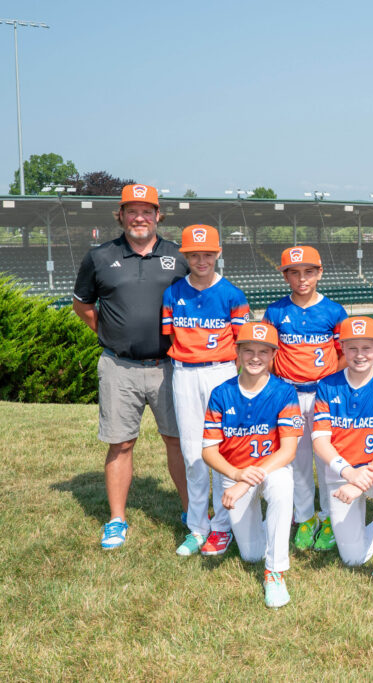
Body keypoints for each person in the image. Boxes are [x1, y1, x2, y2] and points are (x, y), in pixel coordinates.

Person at [72, 184, 190, 549]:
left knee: (178, 441)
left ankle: (193, 513)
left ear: (158, 216)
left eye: (147, 211)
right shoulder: (99, 256)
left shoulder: (179, 256)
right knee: (120, 443)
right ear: (121, 215)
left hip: (170, 366)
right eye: (132, 211)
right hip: (118, 366)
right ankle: (117, 520)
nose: (140, 218)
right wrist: (111, 333)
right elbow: (83, 306)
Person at [162, 225, 249, 558]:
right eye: (195, 254)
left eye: (208, 254)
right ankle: (198, 527)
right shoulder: (173, 293)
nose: (201, 260)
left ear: (218, 254)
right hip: (185, 373)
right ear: (186, 256)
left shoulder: (232, 294)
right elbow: (173, 336)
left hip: (221, 371)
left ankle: (223, 527)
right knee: (192, 452)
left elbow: (241, 344)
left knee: (223, 449)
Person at [201, 322, 301, 608]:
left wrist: (245, 482)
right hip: (235, 472)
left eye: (263, 352)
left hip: (271, 469)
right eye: (249, 351)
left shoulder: (284, 392)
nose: (255, 358)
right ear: (237, 352)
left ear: (273, 355)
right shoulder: (221, 393)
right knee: (251, 555)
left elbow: (288, 451)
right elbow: (208, 451)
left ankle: (275, 572)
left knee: (282, 486)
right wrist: (237, 475)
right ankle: (270, 528)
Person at [311, 316, 373, 601]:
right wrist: (349, 474)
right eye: (352, 347)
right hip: (342, 471)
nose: (360, 354)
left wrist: (363, 478)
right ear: (342, 348)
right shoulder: (327, 386)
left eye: (366, 347)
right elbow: (320, 441)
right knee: (352, 559)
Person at [263, 246, 348, 552]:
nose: (302, 279)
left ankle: (329, 516)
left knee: (328, 459)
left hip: (323, 394)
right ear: (285, 275)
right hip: (290, 394)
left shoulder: (334, 311)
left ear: (319, 273)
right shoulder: (275, 311)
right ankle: (305, 517)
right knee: (296, 459)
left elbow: (344, 354)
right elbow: (267, 354)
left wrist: (329, 382)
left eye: (309, 272)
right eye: (294, 273)